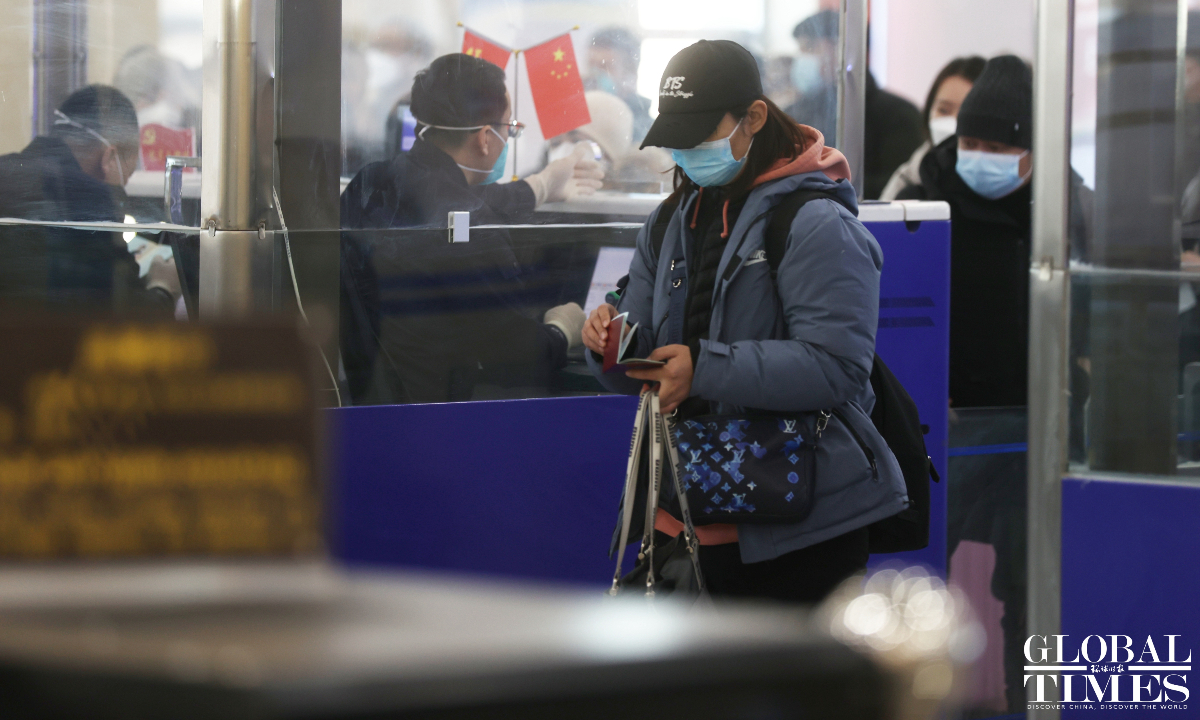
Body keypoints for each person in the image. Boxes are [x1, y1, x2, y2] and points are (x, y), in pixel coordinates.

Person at [583, 40, 907, 604]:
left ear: (754, 117)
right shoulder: (669, 221)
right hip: (680, 516)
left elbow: (837, 367)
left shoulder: (815, 223)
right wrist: (609, 343)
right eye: (676, 139)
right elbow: (643, 356)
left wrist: (703, 369)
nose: (686, 152)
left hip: (798, 530)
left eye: (699, 135)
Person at [340, 53, 602, 404]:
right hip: (439, 417)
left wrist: (539, 186)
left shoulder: (370, 181)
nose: (509, 137)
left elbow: (444, 198)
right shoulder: (471, 230)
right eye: (510, 129)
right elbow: (518, 358)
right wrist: (562, 330)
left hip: (364, 406)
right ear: (485, 138)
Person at [0, 85, 180, 313]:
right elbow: (122, 316)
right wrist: (163, 288)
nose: (122, 190)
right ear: (110, 157)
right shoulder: (94, 200)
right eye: (126, 177)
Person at [786, 10, 925, 199]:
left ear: (842, 49)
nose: (802, 58)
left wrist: (822, 184)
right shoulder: (798, 111)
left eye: (809, 48)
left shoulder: (898, 115)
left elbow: (898, 184)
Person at [879, 56, 986, 201]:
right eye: (943, 110)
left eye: (965, 113)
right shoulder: (909, 178)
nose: (953, 121)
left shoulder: (994, 182)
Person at [586, 27, 653, 143]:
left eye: (604, 66)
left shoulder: (651, 133)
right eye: (591, 65)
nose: (595, 74)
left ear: (631, 73)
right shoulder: (577, 128)